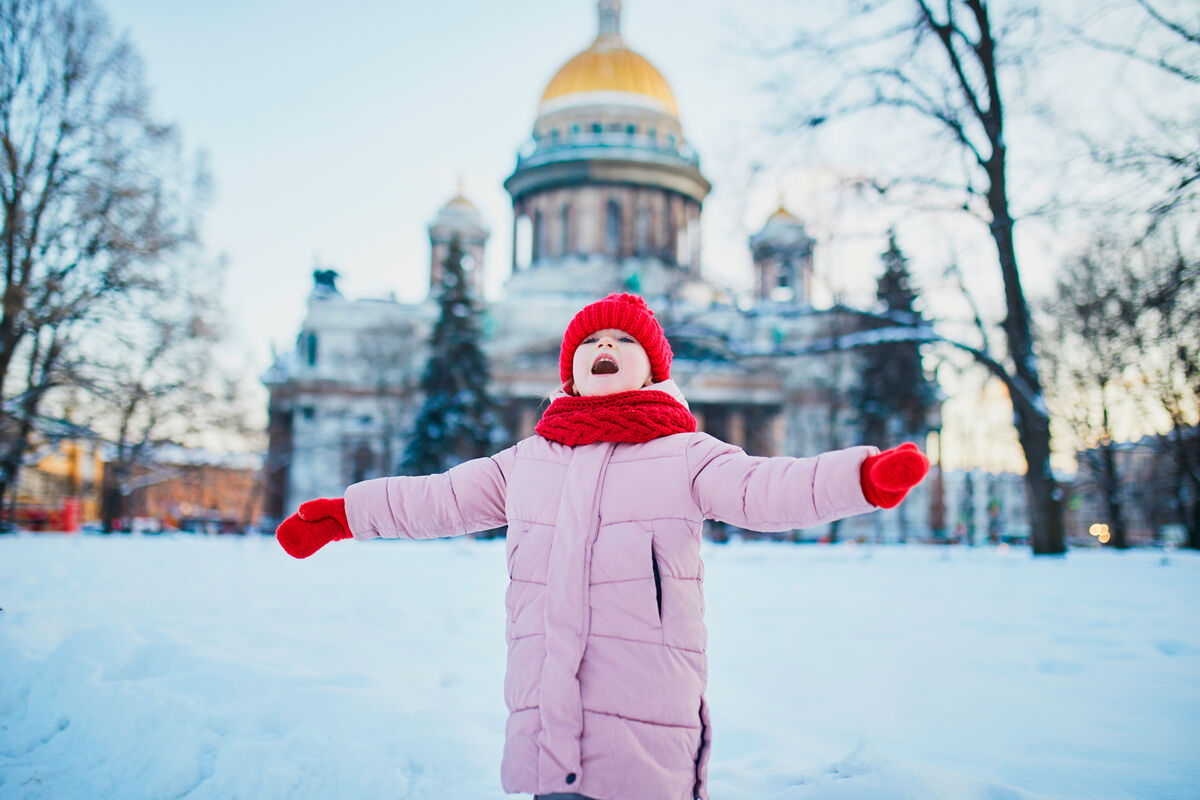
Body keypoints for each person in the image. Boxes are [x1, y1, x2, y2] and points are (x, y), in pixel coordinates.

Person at [276, 292, 929, 800]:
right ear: (569, 372)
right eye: (589, 341)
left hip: (646, 712)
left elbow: (765, 488)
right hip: (545, 712)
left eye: (621, 340)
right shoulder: (527, 461)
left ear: (652, 369)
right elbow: (436, 499)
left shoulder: (686, 454)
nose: (604, 347)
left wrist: (861, 479)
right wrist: (342, 515)